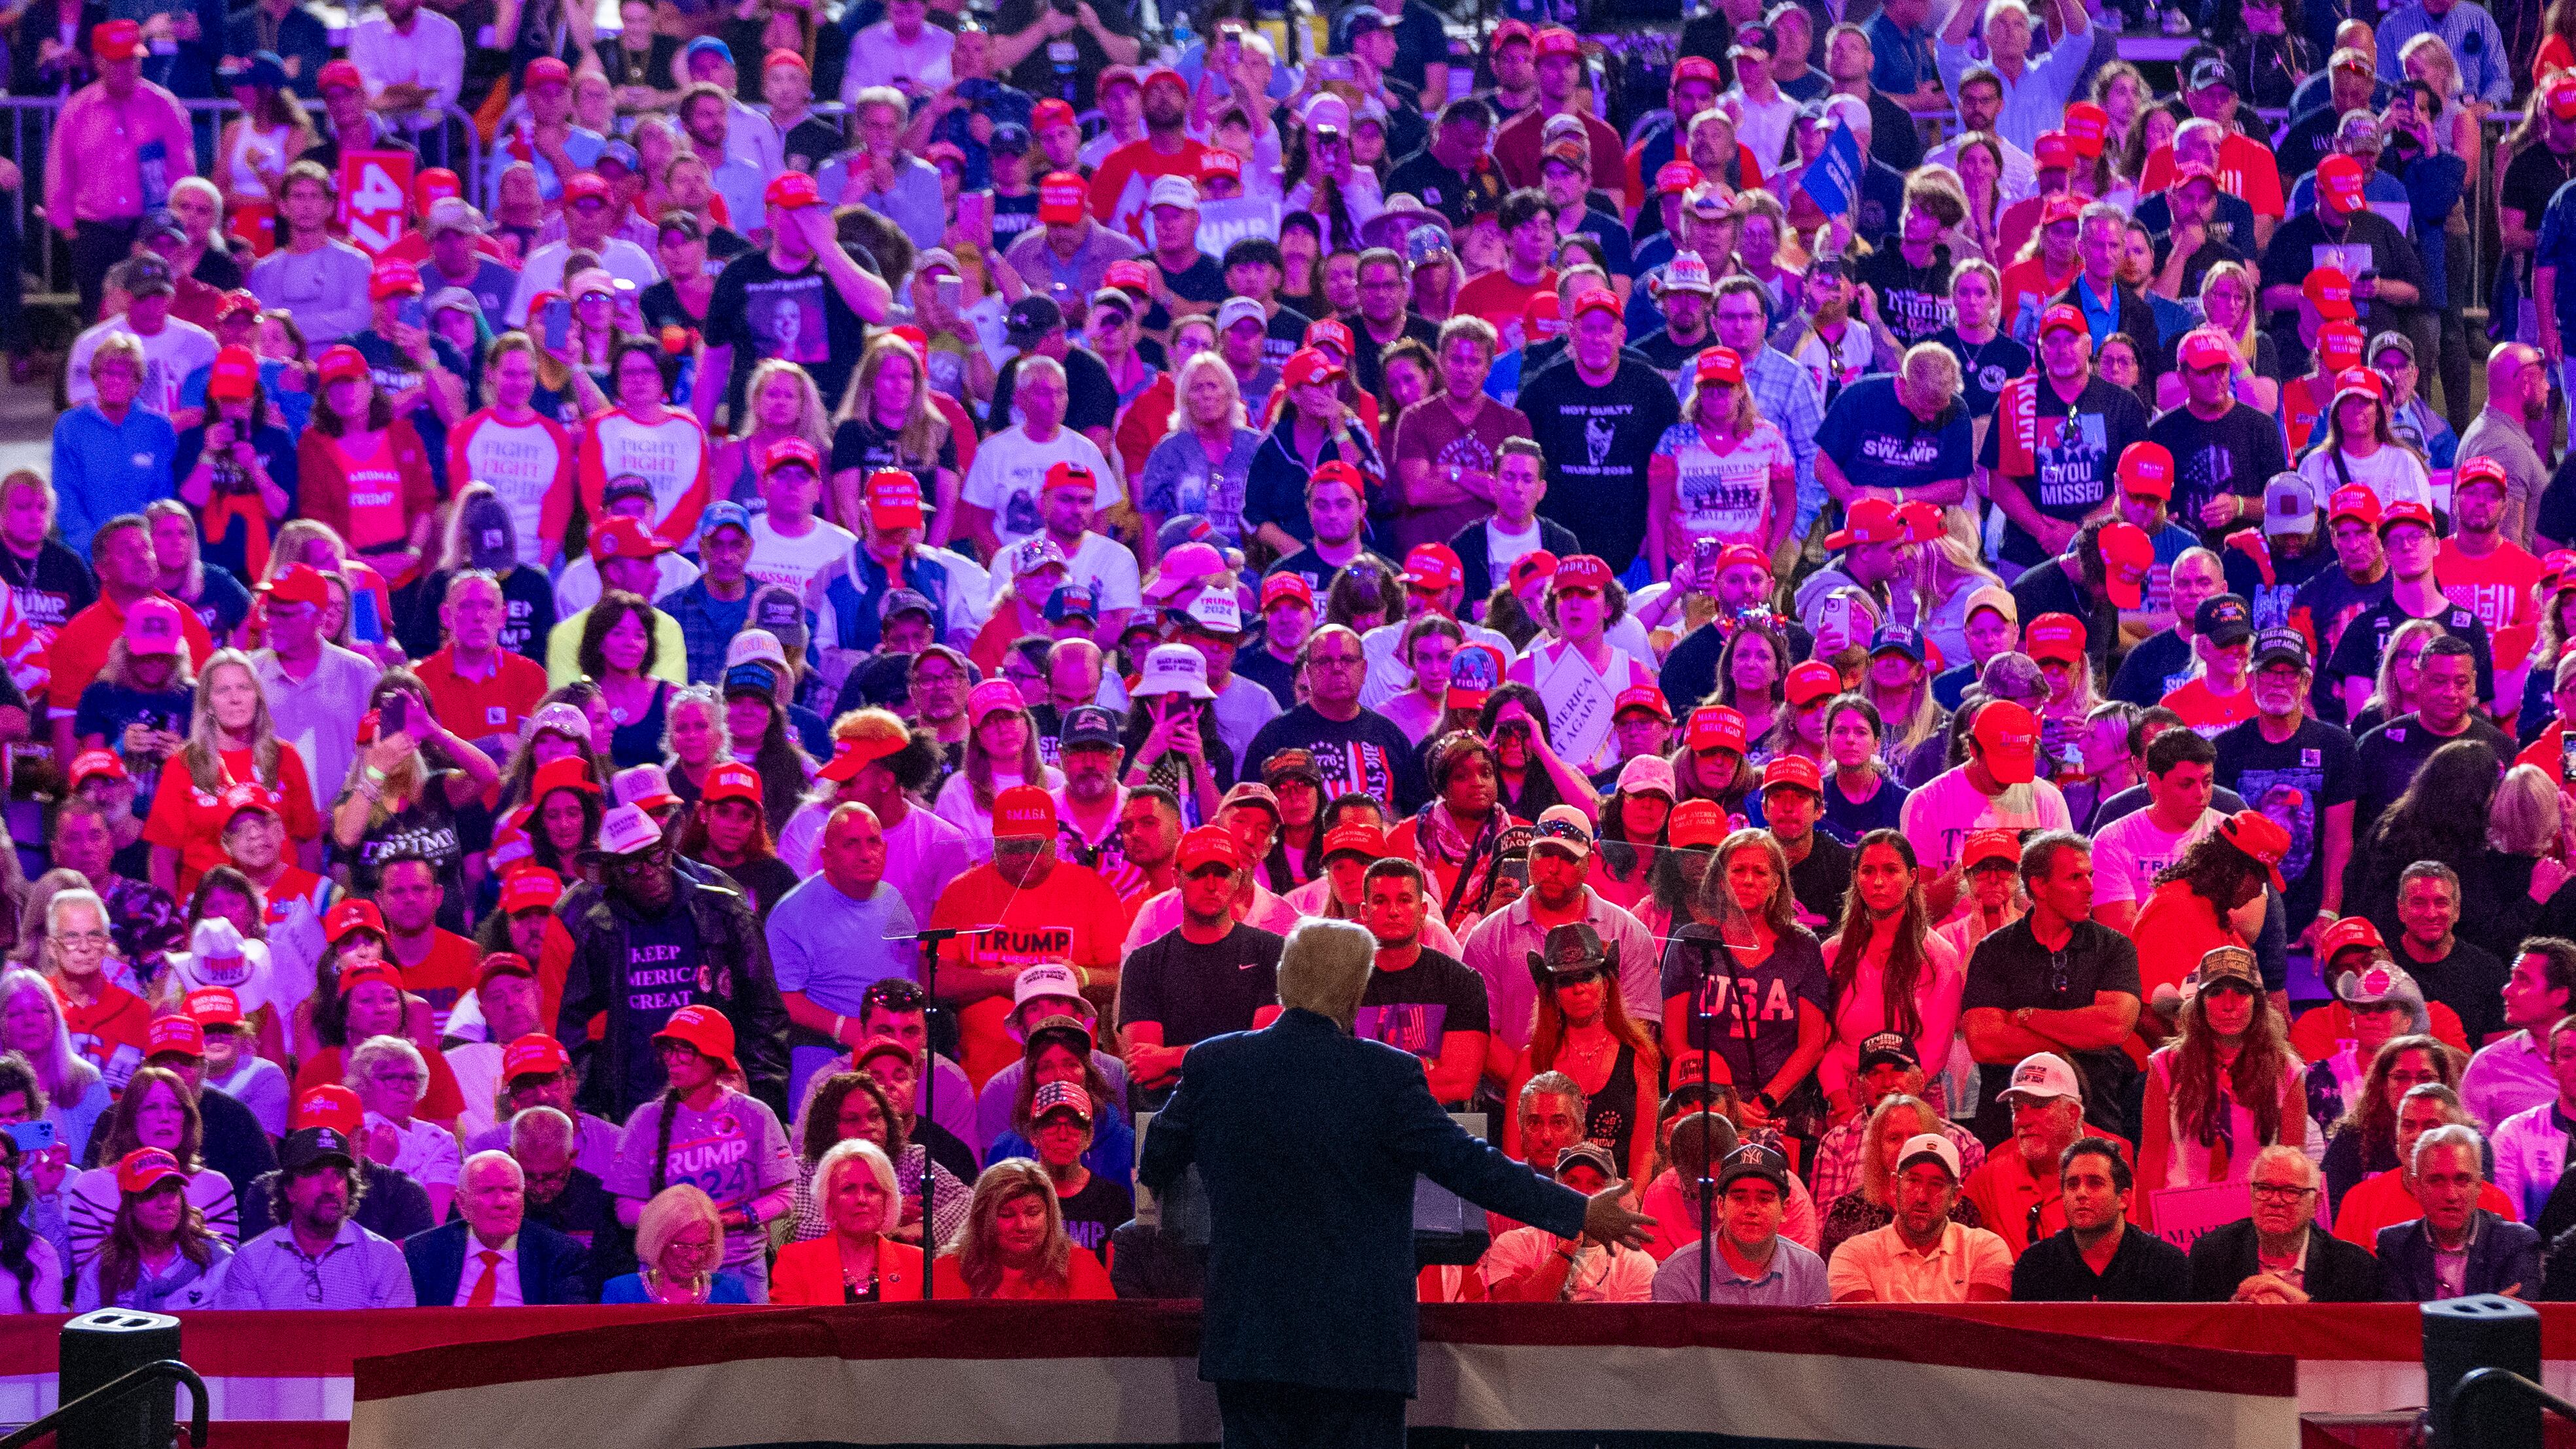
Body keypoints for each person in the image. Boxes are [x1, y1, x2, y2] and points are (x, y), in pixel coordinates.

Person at [1141, 916, 1651, 1445]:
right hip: (1360, 1351)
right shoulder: (1389, 1076)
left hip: (1251, 1340)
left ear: (1284, 979)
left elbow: (1156, 1158)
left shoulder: (1214, 1065)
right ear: (1355, 989)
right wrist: (1580, 1211)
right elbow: (1474, 1168)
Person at [558, 802, 792, 1122]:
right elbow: (575, 1027)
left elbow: (765, 1012)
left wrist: (763, 1103)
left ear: (669, 850)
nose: (650, 873)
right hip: (636, 1109)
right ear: (613, 875)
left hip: (721, 1100)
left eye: (656, 856)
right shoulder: (601, 927)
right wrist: (587, 1113)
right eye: (631, 867)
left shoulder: (722, 906)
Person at [1959, 831, 2143, 1144]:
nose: (2089, 887)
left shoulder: (2115, 948)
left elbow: (2113, 1027)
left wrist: (2027, 1017)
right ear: (2039, 885)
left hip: (2094, 1125)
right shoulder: (1994, 951)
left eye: (2089, 875)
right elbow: (1985, 1042)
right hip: (2009, 1133)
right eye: (2074, 877)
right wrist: (2082, 1040)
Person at [606, 1005, 794, 1302]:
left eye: (687, 1050)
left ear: (716, 1059)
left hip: (740, 1266)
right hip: (666, 1273)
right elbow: (626, 1209)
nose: (674, 1059)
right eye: (669, 1049)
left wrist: (726, 1220)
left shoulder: (754, 1115)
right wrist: (681, 1224)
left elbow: (783, 1199)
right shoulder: (644, 1122)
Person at [766, 803, 922, 1106]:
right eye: (851, 844)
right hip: (824, 1048)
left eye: (873, 842)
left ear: (885, 848)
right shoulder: (791, 913)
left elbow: (911, 977)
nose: (866, 854)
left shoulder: (894, 900)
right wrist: (842, 1027)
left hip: (895, 1047)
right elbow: (784, 999)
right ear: (827, 857)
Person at [211, 1117, 415, 1308]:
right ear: (289, 1189)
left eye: (338, 1175)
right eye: (316, 1174)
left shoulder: (385, 1259)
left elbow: (398, 1341)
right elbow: (243, 1342)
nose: (330, 1187)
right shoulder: (251, 1261)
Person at [1827, 1132, 2014, 1302]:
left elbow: (1979, 1331)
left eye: (1937, 1184)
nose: (1922, 1196)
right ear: (1894, 1185)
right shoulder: (1854, 1255)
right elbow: (1864, 1334)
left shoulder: (1985, 1249)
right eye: (1913, 1180)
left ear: (1956, 1196)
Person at [2009, 1134, 2191, 1301]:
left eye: (2095, 1183)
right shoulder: (2035, 1266)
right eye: (2072, 1185)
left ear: (2124, 1199)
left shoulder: (2165, 1264)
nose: (2081, 1193)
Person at [401, 1150, 590, 1305]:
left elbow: (569, 1329)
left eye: (510, 1190)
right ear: (461, 1203)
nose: (501, 1202)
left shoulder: (560, 1254)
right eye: (488, 1191)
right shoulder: (424, 1250)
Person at [2376, 1124, 2543, 1300]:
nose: (2451, 1195)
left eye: (2462, 1180)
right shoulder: (2395, 1245)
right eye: (2437, 1181)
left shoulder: (2517, 1243)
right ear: (2417, 1187)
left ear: (2479, 1186)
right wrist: (2490, 1309)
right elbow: (2398, 1323)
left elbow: (2516, 1323)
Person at [1478, 1141, 1656, 1302]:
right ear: (1556, 1189)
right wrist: (1569, 1242)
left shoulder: (1637, 1265)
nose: (1583, 1193)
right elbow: (1512, 1319)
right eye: (1572, 1182)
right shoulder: (1516, 1245)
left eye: (1596, 1184)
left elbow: (1630, 1334)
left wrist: (1537, 1284)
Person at [929, 1158, 1115, 1300]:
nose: (1022, 1226)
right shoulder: (949, 1270)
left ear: (1050, 1215)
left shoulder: (1080, 1266)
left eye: (1033, 1213)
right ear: (982, 1218)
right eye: (1007, 1215)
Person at [72, 1147, 231, 1311]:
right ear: (129, 1206)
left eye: (171, 1191)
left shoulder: (218, 1261)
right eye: (150, 1194)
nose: (164, 1203)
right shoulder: (100, 1270)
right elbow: (86, 1335)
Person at [773, 1137, 926, 1303]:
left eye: (872, 1189)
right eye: (848, 1189)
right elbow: (788, 1328)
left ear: (886, 1199)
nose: (861, 1199)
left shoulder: (919, 1264)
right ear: (829, 1201)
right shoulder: (795, 1261)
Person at [2463, 939, 2576, 1129]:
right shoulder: (2489, 1065)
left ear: (2560, 995)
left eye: (2523, 980)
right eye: (2512, 978)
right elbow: (2470, 1153)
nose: (2506, 990)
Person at [600, 1184, 756, 1304]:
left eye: (702, 1246)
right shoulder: (622, 1293)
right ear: (658, 1241)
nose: (694, 1257)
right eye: (682, 1247)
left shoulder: (731, 1292)